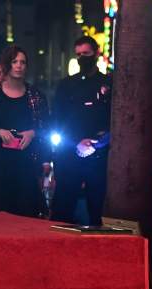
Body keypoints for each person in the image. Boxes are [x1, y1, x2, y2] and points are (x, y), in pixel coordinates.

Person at [0, 45, 48, 217]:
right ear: (7, 64)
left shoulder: (36, 96)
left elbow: (46, 127)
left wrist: (32, 133)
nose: (19, 65)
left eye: (23, 62)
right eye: (15, 62)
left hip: (26, 163)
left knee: (25, 212)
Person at [49, 36, 112, 226]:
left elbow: (114, 120)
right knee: (63, 208)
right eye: (78, 54)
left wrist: (98, 143)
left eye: (86, 53)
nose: (82, 58)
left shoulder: (108, 83)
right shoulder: (66, 85)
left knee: (98, 209)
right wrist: (75, 142)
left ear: (96, 53)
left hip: (99, 155)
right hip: (69, 154)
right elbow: (58, 120)